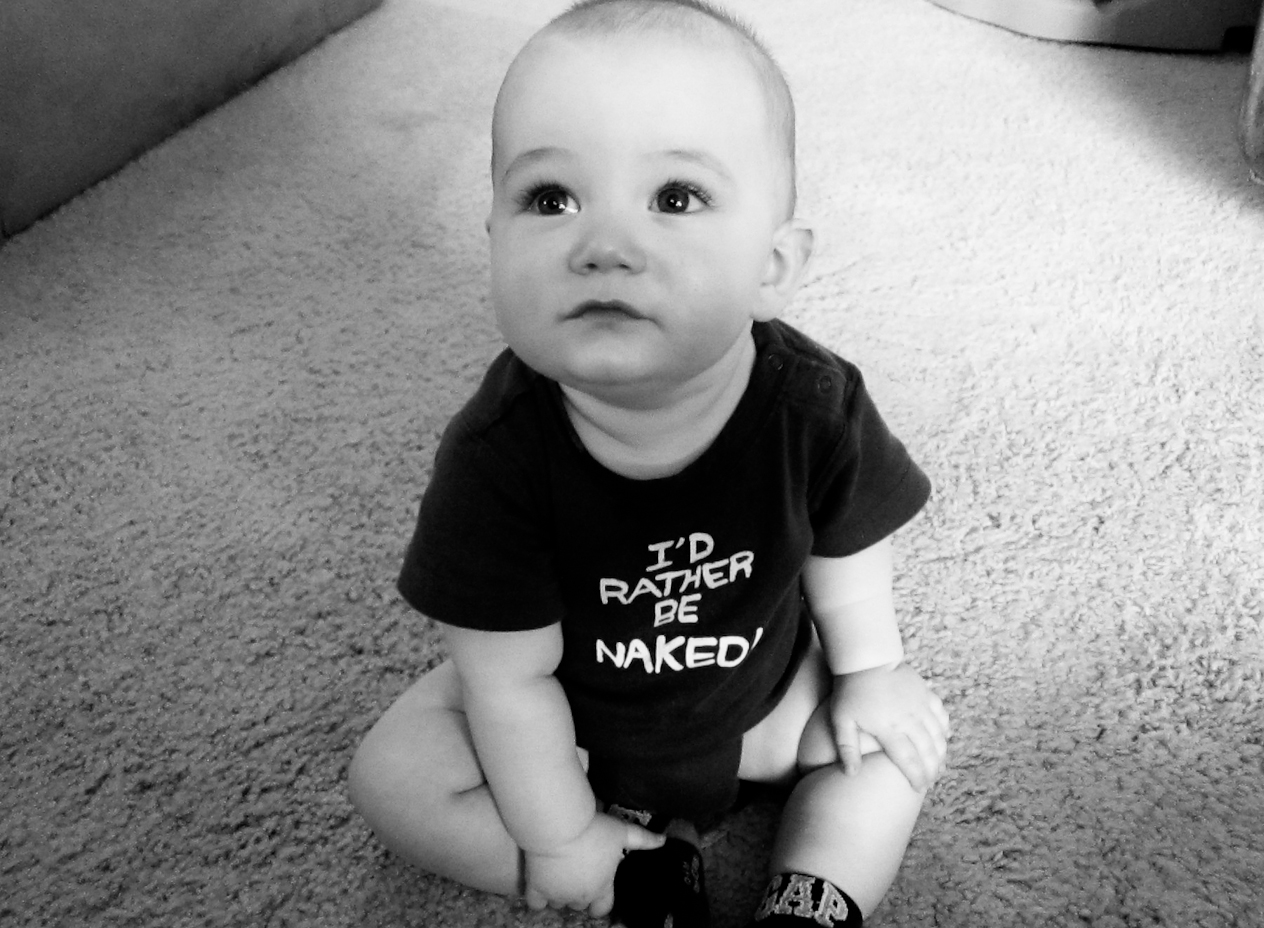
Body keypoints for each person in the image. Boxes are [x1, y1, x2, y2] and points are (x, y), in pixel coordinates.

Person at [347, 1, 951, 926]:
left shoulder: (812, 403)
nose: (604, 246)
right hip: (571, 736)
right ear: (494, 243)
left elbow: (849, 541)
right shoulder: (495, 457)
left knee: (890, 749)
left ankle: (811, 900)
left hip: (761, 706)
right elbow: (508, 683)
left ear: (774, 267)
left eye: (675, 198)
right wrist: (561, 840)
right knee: (393, 776)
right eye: (550, 199)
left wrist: (871, 667)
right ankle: (632, 876)